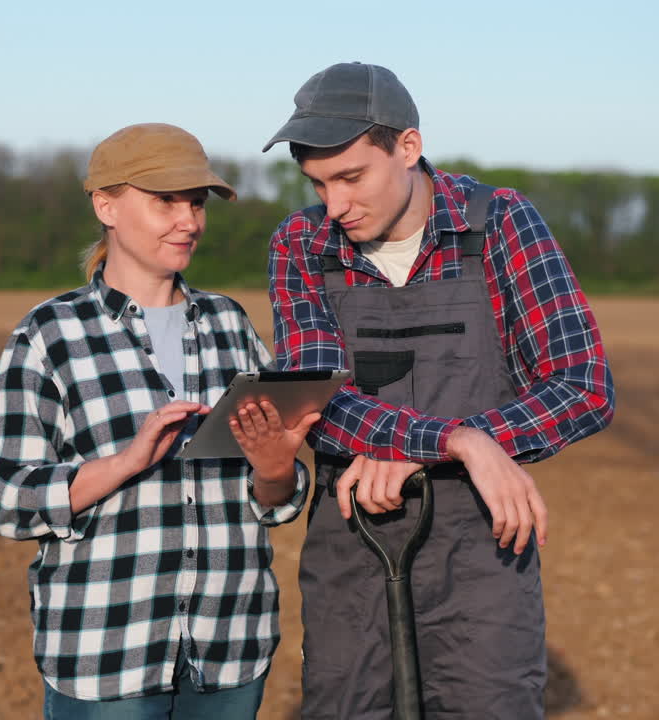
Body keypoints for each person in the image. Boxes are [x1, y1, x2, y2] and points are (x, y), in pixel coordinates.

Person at [261, 63, 615, 718]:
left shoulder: (502, 225)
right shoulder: (302, 243)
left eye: (350, 177)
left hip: (482, 551)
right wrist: (457, 439)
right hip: (352, 546)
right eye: (317, 183)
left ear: (408, 147)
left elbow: (582, 385)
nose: (334, 205)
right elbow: (316, 401)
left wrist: (449, 450)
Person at [0, 123, 319, 719]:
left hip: (230, 648)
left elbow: (276, 499)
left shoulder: (230, 324)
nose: (189, 220)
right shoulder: (49, 336)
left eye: (196, 202)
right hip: (108, 654)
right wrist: (126, 464)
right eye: (166, 201)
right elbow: (4, 495)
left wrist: (275, 469)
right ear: (105, 205)